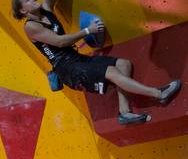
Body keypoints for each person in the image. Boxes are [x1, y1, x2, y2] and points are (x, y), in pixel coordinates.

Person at [11, 0, 182, 125]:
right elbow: (61, 42)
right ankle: (159, 94)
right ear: (23, 11)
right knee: (112, 72)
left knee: (124, 64)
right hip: (67, 69)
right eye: (27, 0)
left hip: (77, 59)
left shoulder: (46, 9)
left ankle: (125, 113)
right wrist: (88, 30)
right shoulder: (31, 27)